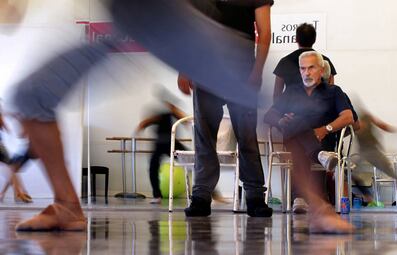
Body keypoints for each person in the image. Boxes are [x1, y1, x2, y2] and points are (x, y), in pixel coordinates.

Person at [7, 0, 265, 231]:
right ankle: (67, 206)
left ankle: (259, 195)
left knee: (253, 121)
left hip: (159, 20)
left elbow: (260, 31)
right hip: (137, 19)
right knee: (30, 96)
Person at [178, 0, 274, 218]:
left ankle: (255, 196)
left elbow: (265, 32)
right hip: (205, 71)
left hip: (241, 72)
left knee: (247, 136)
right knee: (204, 135)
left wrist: (257, 72)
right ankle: (201, 196)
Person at [264, 51, 355, 233]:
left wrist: (324, 129)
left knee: (296, 125)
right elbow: (269, 115)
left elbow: (348, 117)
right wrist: (281, 121)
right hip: (309, 149)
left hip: (325, 143)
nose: (306, 73)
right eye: (302, 69)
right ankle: (317, 157)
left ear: (321, 70)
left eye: (311, 68)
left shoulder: (333, 92)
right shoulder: (291, 92)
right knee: (295, 121)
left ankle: (300, 197)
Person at [134, 89, 187, 204]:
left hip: (172, 143)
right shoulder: (159, 114)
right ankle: (157, 196)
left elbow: (183, 118)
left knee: (193, 162)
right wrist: (138, 130)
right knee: (153, 167)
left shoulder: (171, 112)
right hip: (160, 144)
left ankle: (211, 192)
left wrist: (188, 122)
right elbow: (144, 123)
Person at [273, 23, 337, 100]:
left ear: (296, 39)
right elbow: (332, 92)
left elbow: (277, 95)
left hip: (291, 108)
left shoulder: (284, 61)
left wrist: (280, 111)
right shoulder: (325, 61)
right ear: (314, 39)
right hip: (319, 109)